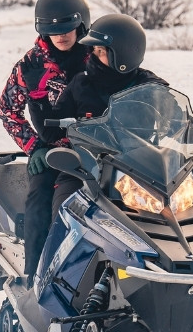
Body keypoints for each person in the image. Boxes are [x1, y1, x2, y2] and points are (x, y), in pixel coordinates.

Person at [0, 0, 91, 281]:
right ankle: (36, 278)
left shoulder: (97, 57)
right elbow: (7, 109)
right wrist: (34, 146)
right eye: (53, 30)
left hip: (102, 148)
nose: (61, 36)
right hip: (54, 153)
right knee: (41, 201)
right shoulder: (30, 66)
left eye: (67, 28)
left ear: (81, 23)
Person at [44, 13, 167, 215]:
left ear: (124, 54)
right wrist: (52, 122)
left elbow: (174, 115)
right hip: (84, 171)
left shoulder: (151, 86)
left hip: (139, 170)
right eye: (94, 50)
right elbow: (51, 132)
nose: (94, 56)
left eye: (101, 51)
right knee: (65, 212)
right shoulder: (80, 84)